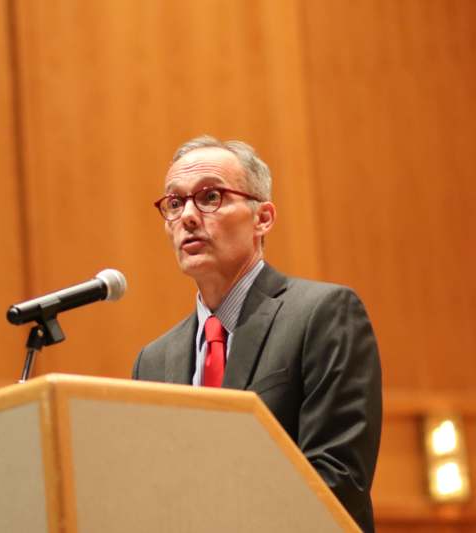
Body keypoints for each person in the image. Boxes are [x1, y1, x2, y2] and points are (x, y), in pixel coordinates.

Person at [132, 135, 382, 532]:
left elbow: (336, 481)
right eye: (175, 203)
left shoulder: (322, 314)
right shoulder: (154, 359)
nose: (188, 217)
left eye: (210, 196)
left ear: (262, 218)